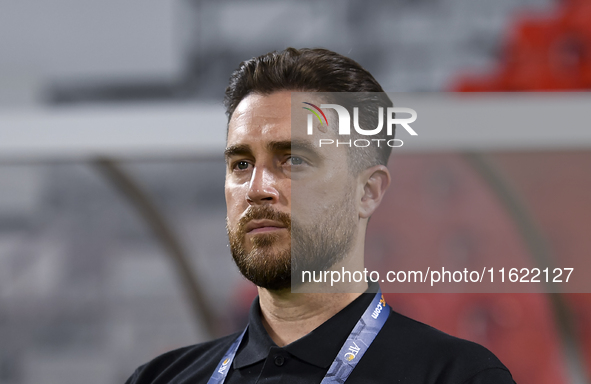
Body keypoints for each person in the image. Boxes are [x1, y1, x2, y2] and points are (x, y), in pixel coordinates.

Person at [125, 48, 515, 383]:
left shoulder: (456, 376)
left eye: (293, 159)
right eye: (242, 164)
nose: (258, 188)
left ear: (368, 191)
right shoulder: (160, 378)